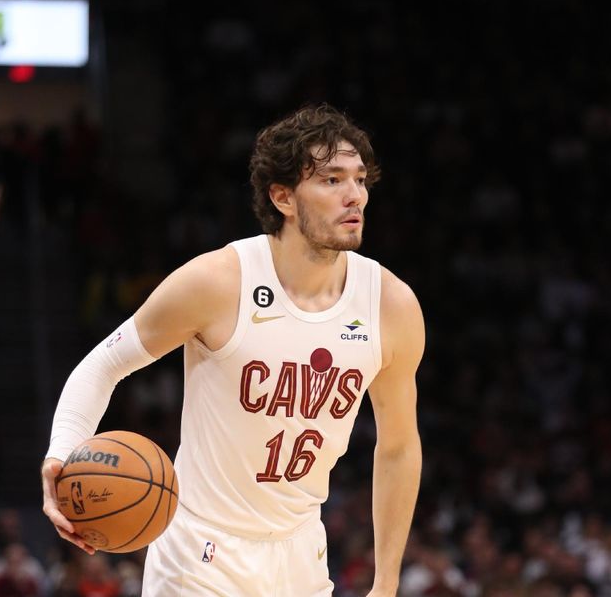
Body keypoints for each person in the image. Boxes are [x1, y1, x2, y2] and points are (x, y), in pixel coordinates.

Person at [41, 103, 424, 596]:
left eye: (359, 179)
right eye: (331, 180)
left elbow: (397, 448)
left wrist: (387, 581)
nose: (355, 196)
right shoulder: (218, 281)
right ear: (283, 196)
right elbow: (105, 364)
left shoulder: (391, 305)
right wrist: (60, 451)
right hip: (200, 554)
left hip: (302, 553)